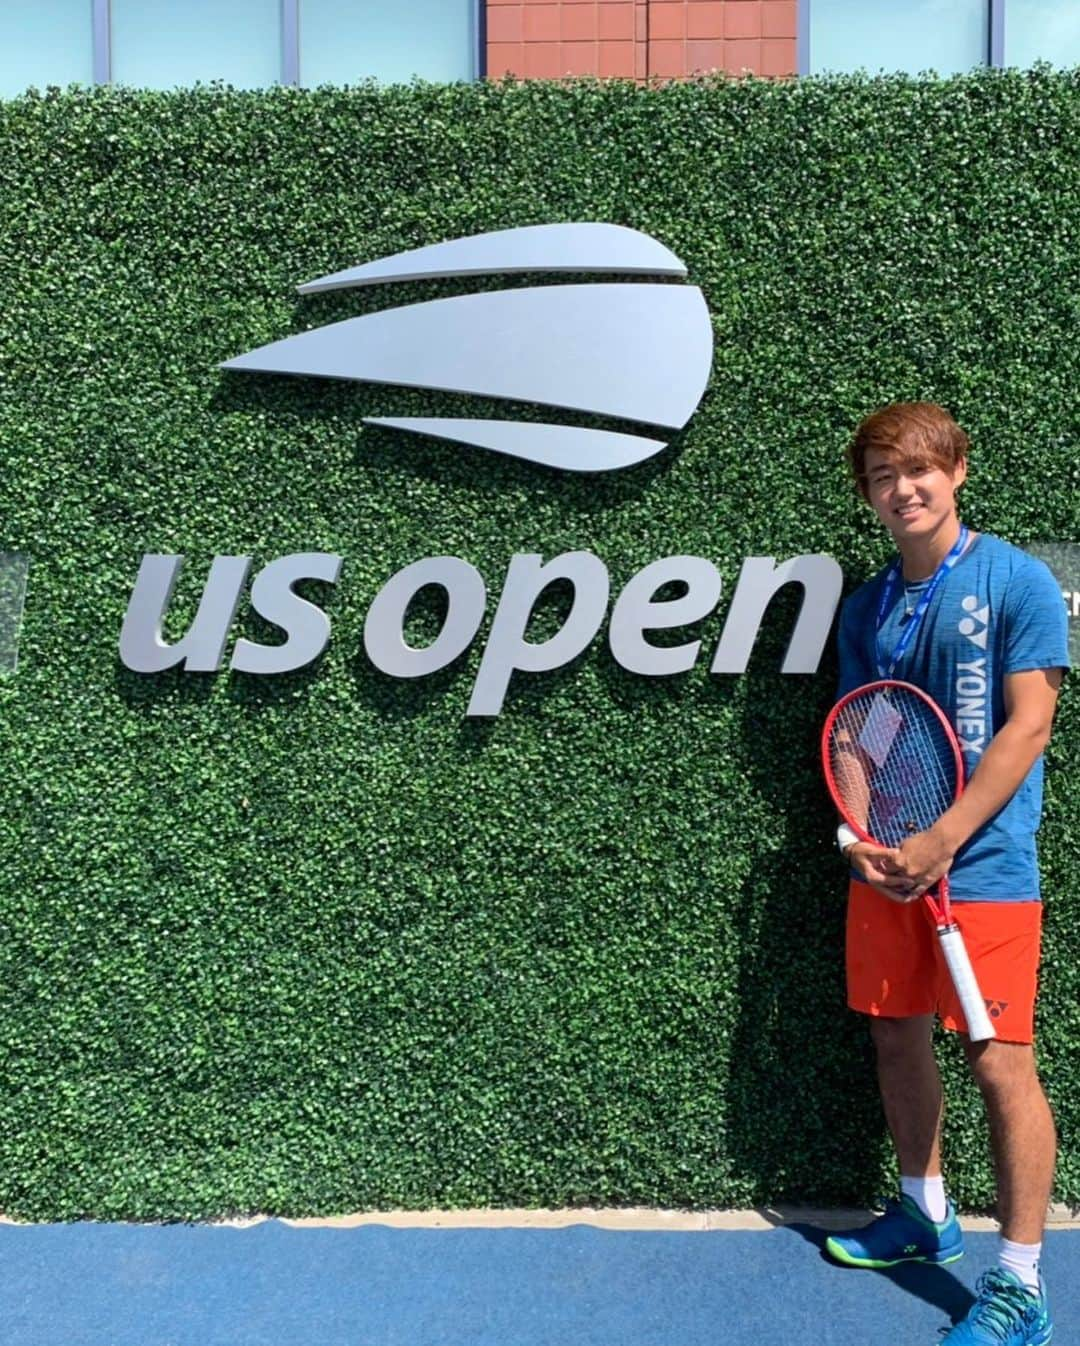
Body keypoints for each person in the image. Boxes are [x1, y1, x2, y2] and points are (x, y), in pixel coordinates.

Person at [825, 402, 1068, 1346]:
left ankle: (1020, 1282)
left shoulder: (1019, 581)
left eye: (919, 469)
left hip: (987, 872)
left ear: (958, 470)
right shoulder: (868, 606)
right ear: (870, 496)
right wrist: (864, 835)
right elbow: (859, 728)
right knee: (895, 1036)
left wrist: (942, 841)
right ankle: (924, 1209)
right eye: (884, 476)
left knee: (999, 1063)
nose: (904, 489)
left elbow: (1029, 726)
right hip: (887, 869)